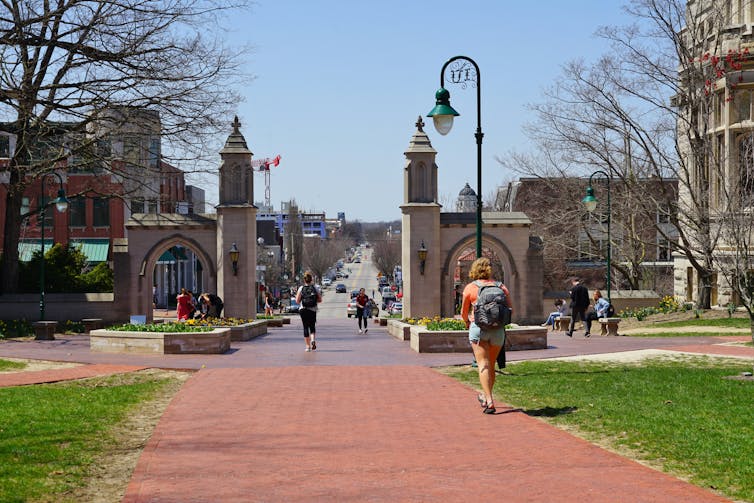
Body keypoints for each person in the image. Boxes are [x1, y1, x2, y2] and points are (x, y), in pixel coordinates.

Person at [460, 257, 512, 415]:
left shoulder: (470, 288)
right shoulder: (501, 287)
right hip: (497, 331)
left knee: (483, 364)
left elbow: (463, 313)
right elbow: (510, 310)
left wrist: (467, 323)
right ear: (490, 270)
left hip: (479, 329)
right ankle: (486, 395)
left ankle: (489, 400)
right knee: (491, 364)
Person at [296, 271, 322, 351]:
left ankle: (307, 346)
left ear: (304, 280)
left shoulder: (301, 288)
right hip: (313, 310)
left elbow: (297, 301)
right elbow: (320, 300)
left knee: (305, 327)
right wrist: (314, 301)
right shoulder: (315, 288)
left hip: (303, 309)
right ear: (311, 280)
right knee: (312, 326)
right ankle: (313, 340)